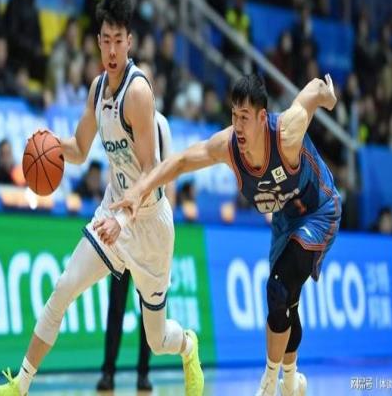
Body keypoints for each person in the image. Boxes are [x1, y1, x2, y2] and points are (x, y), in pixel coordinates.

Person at [0, 0, 203, 396]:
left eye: (119, 40)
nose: (112, 50)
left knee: (157, 339)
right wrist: (52, 145)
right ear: (97, 42)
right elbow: (81, 150)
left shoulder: (138, 93)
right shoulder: (97, 89)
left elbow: (151, 171)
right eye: (105, 40)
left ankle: (188, 345)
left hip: (149, 224)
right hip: (112, 213)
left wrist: (125, 218)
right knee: (63, 288)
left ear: (130, 41)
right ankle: (20, 384)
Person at [112, 73, 341, 396]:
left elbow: (313, 91)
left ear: (262, 117)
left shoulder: (286, 132)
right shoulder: (228, 146)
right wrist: (139, 190)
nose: (238, 125)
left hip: (320, 210)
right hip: (286, 219)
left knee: (279, 287)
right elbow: (180, 161)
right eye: (234, 116)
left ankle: (268, 384)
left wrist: (328, 96)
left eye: (245, 117)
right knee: (286, 300)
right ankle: (291, 383)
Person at [96, 107, 175, 392]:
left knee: (149, 307)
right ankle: (108, 371)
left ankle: (144, 372)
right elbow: (114, 171)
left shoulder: (161, 124)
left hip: (151, 230)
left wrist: (167, 229)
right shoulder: (119, 118)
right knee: (115, 304)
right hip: (123, 227)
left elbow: (169, 174)